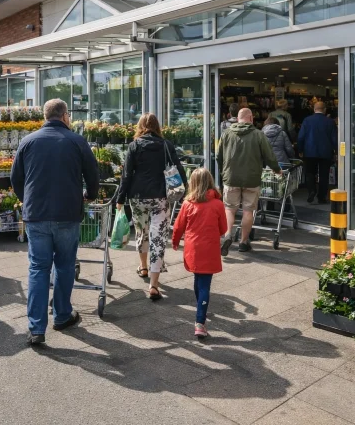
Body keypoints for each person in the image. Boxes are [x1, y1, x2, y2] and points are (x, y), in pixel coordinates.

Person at [11, 99, 99, 346]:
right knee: (64, 265)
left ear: (45, 116)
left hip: (36, 214)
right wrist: (90, 196)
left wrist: (26, 200)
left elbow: (15, 178)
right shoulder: (76, 141)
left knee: (38, 268)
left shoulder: (28, 142)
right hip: (67, 213)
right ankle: (61, 315)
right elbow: (93, 175)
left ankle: (36, 328)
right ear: (64, 116)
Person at [116, 113, 187, 300]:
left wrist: (120, 198)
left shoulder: (134, 146)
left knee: (142, 232)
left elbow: (126, 175)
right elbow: (179, 168)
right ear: (157, 127)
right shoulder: (166, 145)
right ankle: (154, 285)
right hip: (161, 197)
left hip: (138, 197)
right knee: (158, 238)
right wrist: (185, 191)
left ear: (140, 126)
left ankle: (144, 267)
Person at [216, 108, 281, 255]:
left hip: (231, 177)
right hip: (252, 179)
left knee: (229, 208)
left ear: (237, 118)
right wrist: (277, 170)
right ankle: (244, 242)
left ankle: (227, 236)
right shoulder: (258, 135)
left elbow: (218, 156)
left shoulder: (226, 134)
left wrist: (224, 172)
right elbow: (269, 156)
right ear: (251, 118)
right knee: (248, 210)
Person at [171, 168, 227, 338]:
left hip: (193, 248)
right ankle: (200, 322)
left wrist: (175, 242)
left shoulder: (188, 204)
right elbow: (223, 228)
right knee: (205, 284)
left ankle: (200, 310)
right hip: (209, 248)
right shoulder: (218, 204)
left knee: (197, 279)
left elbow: (178, 226)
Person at [298, 101, 337, 204]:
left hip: (309, 151)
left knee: (310, 173)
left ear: (314, 109)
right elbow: (334, 139)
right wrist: (336, 151)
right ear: (324, 110)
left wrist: (300, 150)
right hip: (325, 152)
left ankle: (311, 190)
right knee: (324, 175)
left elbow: (301, 137)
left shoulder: (307, 120)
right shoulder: (330, 122)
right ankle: (322, 197)